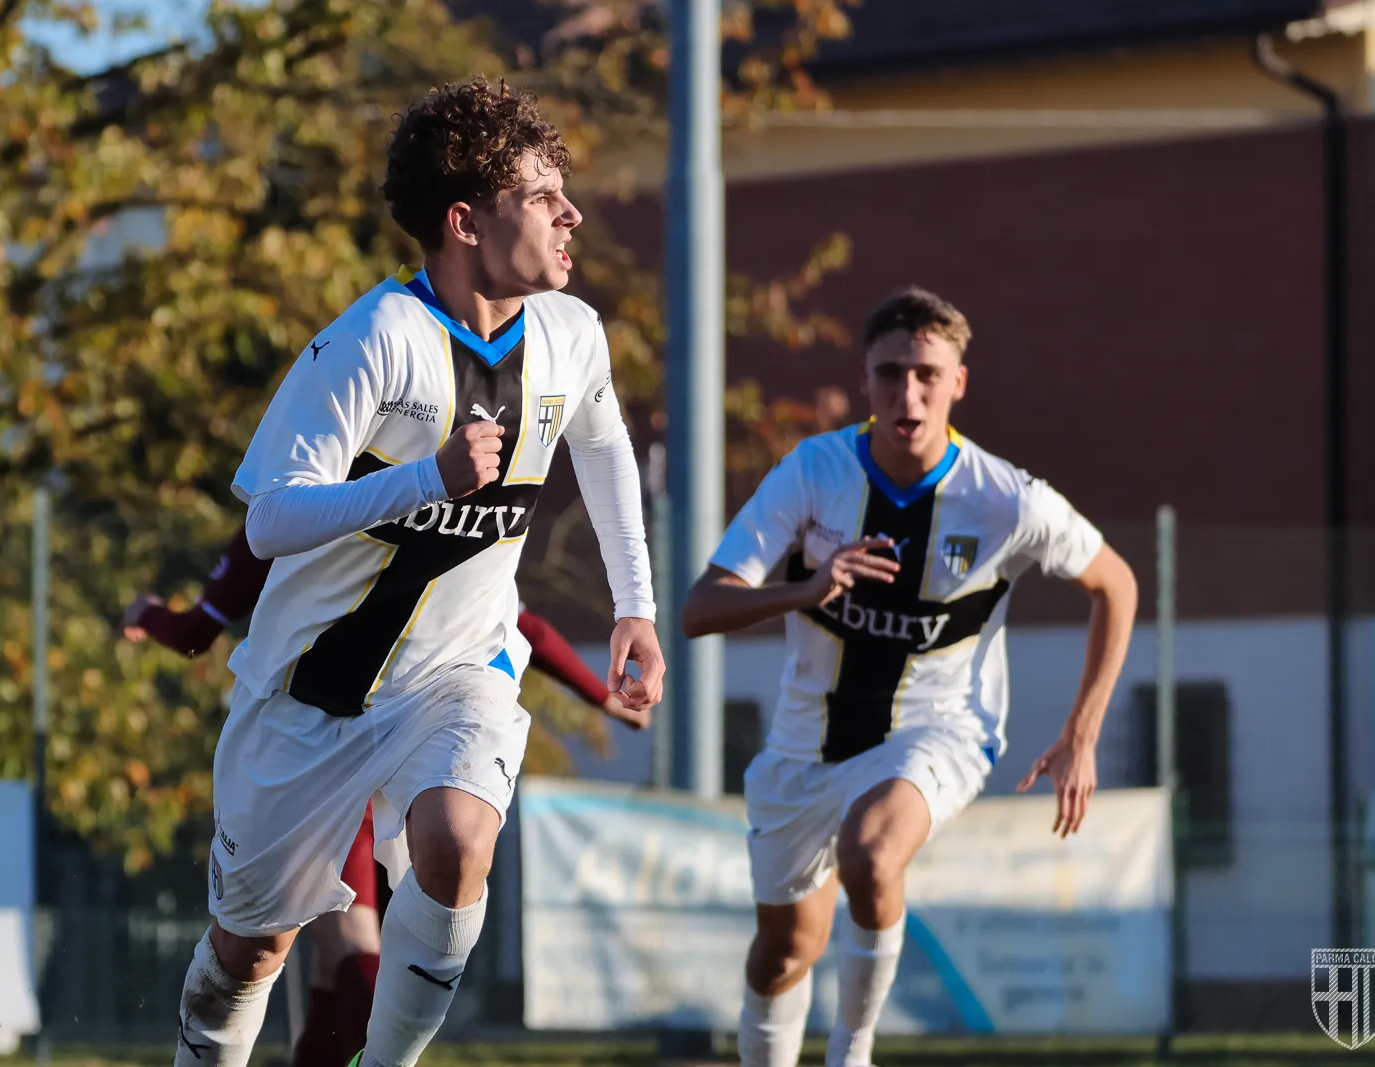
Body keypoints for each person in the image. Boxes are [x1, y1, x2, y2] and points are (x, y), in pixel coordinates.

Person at [169, 79, 663, 1067]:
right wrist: (424, 479)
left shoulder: (571, 332)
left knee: (458, 841)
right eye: (542, 196)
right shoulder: (374, 339)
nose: (570, 214)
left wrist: (635, 607)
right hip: (312, 693)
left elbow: (604, 444)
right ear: (465, 222)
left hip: (458, 671)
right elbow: (270, 518)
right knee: (250, 952)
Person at [681, 286, 1137, 1067]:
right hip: (805, 745)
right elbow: (699, 608)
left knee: (870, 851)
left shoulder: (1006, 500)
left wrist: (1081, 734)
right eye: (891, 374)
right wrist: (806, 589)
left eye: (928, 374)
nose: (909, 394)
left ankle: (852, 1051)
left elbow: (1116, 584)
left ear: (959, 382)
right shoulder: (814, 471)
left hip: (939, 729)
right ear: (866, 379)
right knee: (784, 952)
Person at [123, 523, 639, 1067]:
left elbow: (195, 630)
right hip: (347, 762)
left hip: (369, 761)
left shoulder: (430, 513)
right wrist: (604, 695)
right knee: (326, 961)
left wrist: (148, 614)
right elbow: (528, 623)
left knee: (350, 951)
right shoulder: (297, 503)